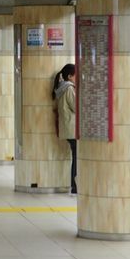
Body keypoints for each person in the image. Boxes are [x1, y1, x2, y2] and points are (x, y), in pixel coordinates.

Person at [53, 63, 77, 194]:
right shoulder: (69, 89)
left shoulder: (61, 88)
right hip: (72, 128)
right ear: (69, 76)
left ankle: (74, 185)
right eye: (75, 75)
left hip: (67, 127)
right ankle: (75, 186)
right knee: (77, 157)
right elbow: (75, 106)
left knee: (75, 156)